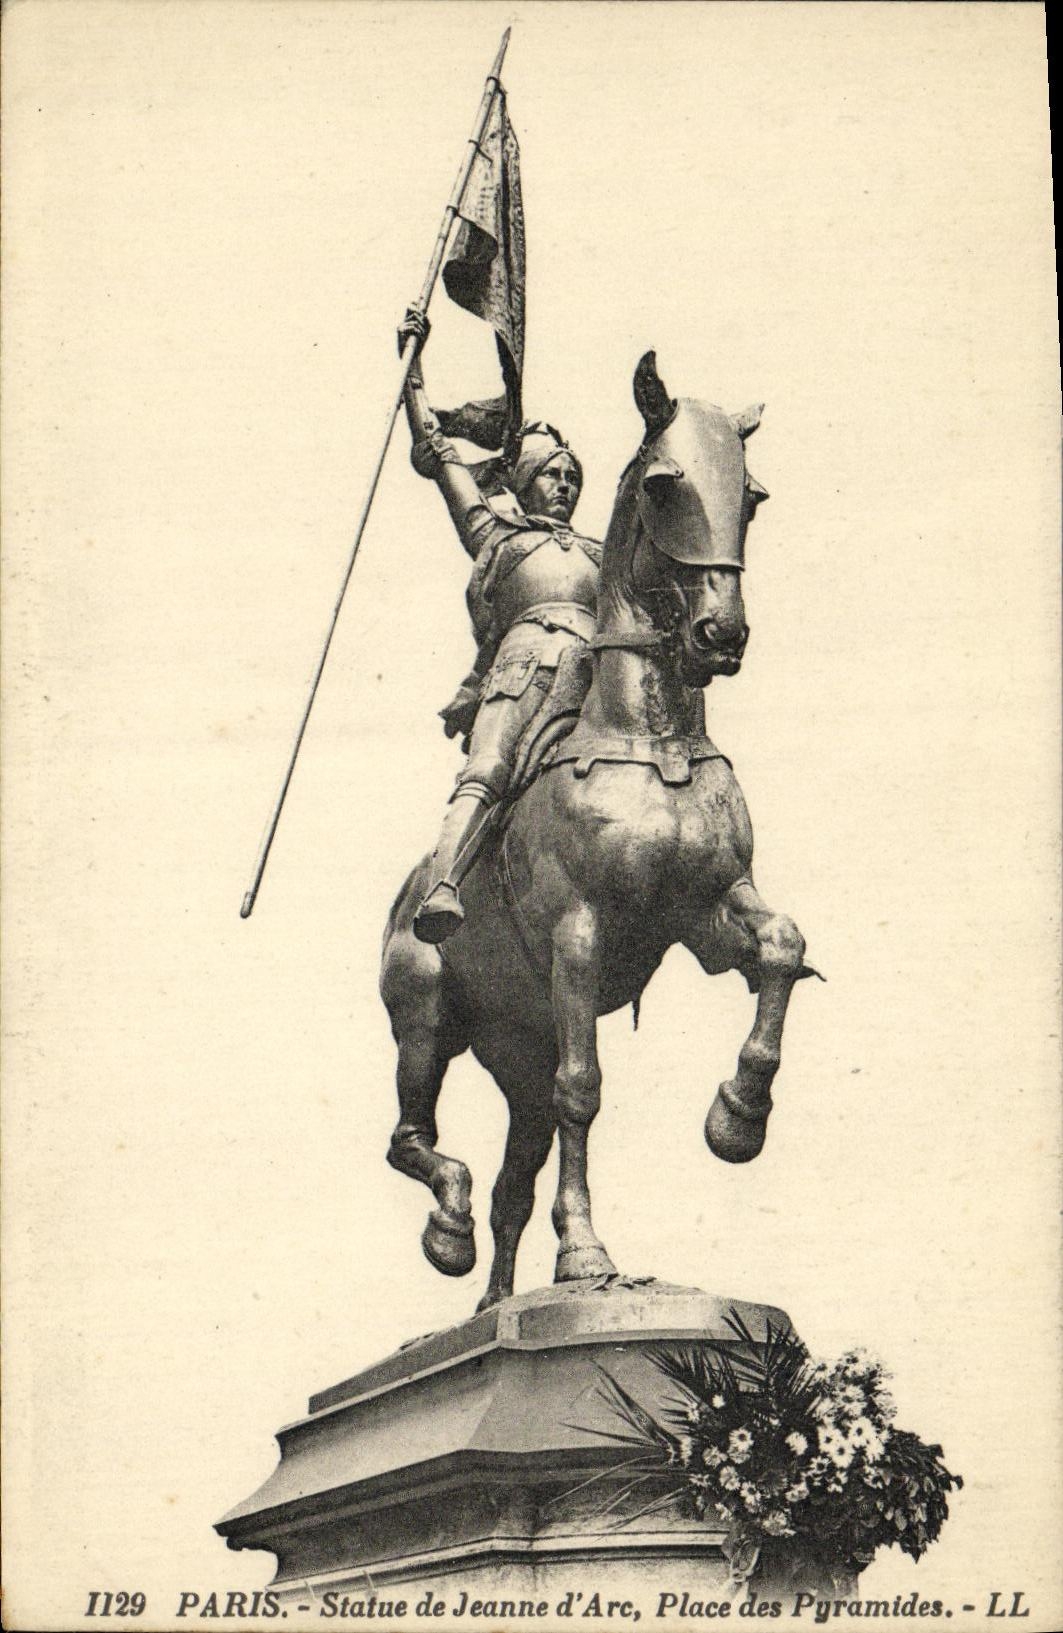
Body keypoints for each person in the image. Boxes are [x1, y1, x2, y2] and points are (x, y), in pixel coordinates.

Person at [398, 309, 602, 944]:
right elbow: (439, 452)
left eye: (572, 476)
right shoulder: (496, 534)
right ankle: (443, 881)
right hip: (522, 667)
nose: (564, 485)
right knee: (488, 765)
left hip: (596, 674)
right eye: (551, 473)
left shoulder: (601, 552)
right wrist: (414, 375)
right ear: (523, 481)